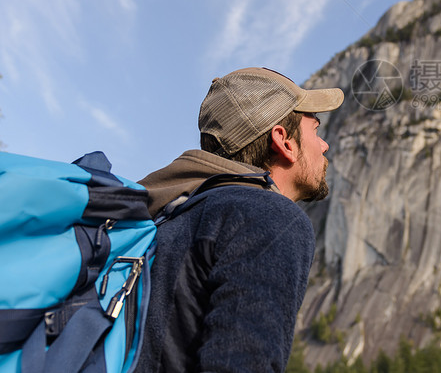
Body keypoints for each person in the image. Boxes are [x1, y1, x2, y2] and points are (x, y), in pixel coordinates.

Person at [134, 67, 343, 372]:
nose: (324, 145)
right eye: (315, 130)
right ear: (284, 141)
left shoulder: (170, 218)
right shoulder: (270, 218)